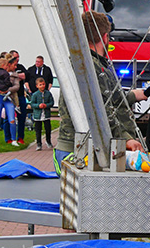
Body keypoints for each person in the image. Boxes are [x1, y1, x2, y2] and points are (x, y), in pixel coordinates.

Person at [54, 11, 144, 173]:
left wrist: (137, 94)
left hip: (76, 146)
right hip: (86, 150)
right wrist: (125, 138)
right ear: (105, 37)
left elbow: (110, 98)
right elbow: (101, 110)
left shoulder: (85, 62)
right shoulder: (91, 66)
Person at [9, 49, 28, 144]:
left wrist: (15, 76)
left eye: (18, 57)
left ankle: (20, 137)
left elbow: (25, 76)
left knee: (22, 116)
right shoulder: (7, 67)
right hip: (10, 96)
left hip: (20, 95)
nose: (18, 59)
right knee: (9, 118)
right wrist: (17, 77)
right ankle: (9, 138)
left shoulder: (20, 67)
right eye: (16, 57)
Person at [29, 77, 54, 151]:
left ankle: (48, 141)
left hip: (46, 115)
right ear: (37, 86)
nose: (42, 86)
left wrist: (46, 105)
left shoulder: (48, 94)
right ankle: (39, 144)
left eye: (43, 84)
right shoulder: (35, 94)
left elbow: (52, 102)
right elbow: (32, 104)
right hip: (38, 115)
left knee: (48, 129)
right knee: (38, 130)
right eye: (40, 85)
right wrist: (38, 106)